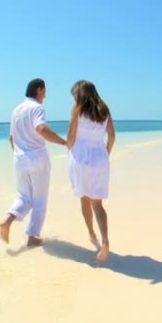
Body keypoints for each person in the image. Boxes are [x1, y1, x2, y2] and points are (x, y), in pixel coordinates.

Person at [0, 78, 67, 247]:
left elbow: (11, 138)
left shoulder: (16, 110)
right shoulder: (37, 108)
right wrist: (64, 142)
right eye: (45, 90)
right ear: (39, 90)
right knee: (40, 200)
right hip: (37, 159)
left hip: (19, 159)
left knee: (23, 196)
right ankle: (32, 236)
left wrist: (19, 155)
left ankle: (7, 220)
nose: (46, 94)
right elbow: (41, 129)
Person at [67, 80, 115, 262]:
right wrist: (105, 154)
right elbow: (112, 135)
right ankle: (104, 241)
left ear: (80, 94)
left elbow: (71, 136)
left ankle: (91, 234)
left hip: (80, 158)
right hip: (100, 158)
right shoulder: (104, 109)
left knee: (84, 200)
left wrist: (69, 148)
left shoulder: (77, 109)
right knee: (98, 204)